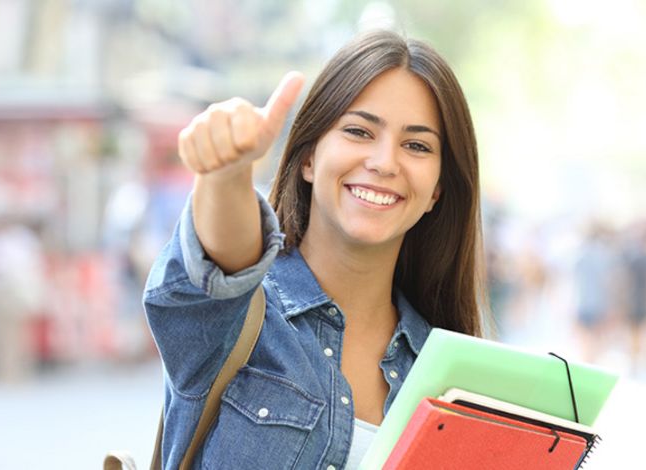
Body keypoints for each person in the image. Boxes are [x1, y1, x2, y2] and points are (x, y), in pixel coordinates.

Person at [144, 29, 486, 469]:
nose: (384, 162)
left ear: (438, 189)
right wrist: (227, 172)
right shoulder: (237, 319)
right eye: (359, 131)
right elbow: (223, 262)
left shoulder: (450, 376)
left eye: (416, 145)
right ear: (308, 158)